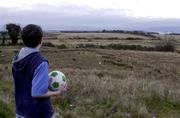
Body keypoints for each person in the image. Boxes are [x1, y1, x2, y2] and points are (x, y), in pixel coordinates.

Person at [12, 24, 67, 118]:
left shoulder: (16, 58)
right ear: (41, 40)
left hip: (21, 110)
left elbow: (24, 82)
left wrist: (44, 82)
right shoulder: (40, 62)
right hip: (38, 112)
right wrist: (57, 92)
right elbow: (37, 93)